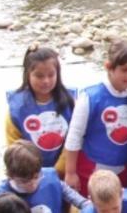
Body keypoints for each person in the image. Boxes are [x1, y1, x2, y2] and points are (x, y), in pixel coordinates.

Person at [65, 41, 127, 196]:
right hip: (91, 168)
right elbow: (74, 135)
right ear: (109, 67)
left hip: (122, 168)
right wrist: (70, 172)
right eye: (124, 70)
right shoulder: (90, 97)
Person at [6, 46, 75, 174]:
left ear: (58, 74)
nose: (46, 81)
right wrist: (31, 173)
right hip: (28, 173)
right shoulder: (17, 107)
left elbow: (75, 138)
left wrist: (56, 171)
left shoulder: (71, 101)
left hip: (64, 171)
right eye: (39, 76)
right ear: (28, 75)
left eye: (51, 75)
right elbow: (14, 145)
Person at [0, 140, 90, 212]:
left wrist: (87, 205)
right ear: (10, 175)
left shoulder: (49, 177)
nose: (32, 184)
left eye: (36, 177)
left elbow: (74, 197)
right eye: (24, 182)